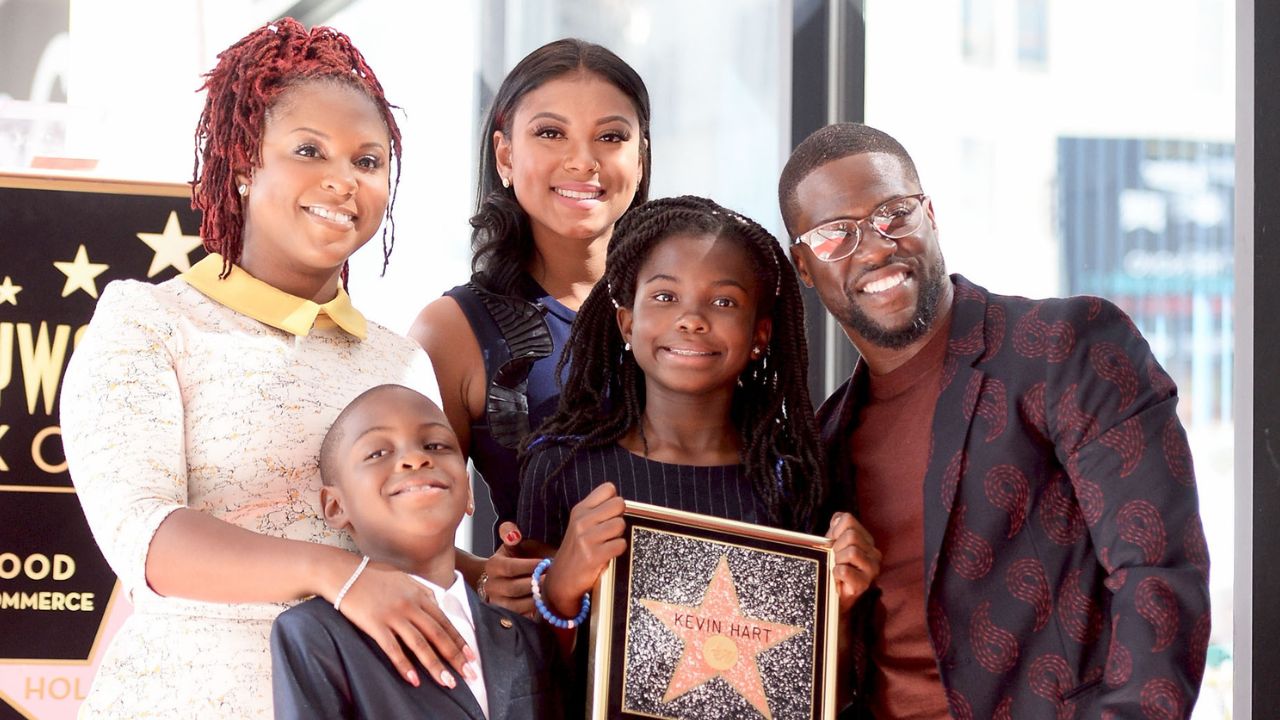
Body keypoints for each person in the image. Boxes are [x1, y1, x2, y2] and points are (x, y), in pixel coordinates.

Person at [60, 19, 469, 718]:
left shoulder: (397, 357)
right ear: (244, 162)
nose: (343, 181)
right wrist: (335, 574)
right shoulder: (150, 323)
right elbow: (144, 536)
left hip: (360, 700)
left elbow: (400, 555)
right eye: (310, 150)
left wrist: (491, 577)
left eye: (368, 162)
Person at [777, 122, 1211, 719]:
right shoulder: (822, 442)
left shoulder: (1062, 347)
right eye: (835, 236)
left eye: (893, 214)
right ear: (804, 265)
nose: (876, 248)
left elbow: (1158, 575)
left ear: (930, 214)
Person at [516, 195, 882, 710]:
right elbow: (521, 683)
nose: (691, 319)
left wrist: (838, 610)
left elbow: (822, 697)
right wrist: (559, 590)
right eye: (665, 297)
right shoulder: (562, 468)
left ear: (760, 335)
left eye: (724, 302)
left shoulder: (796, 482)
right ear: (625, 323)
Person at [408, 38, 651, 614]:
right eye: (550, 133)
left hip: (709, 649)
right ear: (505, 155)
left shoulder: (689, 312)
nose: (582, 161)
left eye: (611, 137)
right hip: (543, 667)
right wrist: (483, 578)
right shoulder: (455, 330)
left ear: (640, 159)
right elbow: (401, 525)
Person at [271, 384, 565, 720]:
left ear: (469, 491)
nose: (415, 458)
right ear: (336, 506)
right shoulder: (314, 634)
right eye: (377, 453)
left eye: (436, 445)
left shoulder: (527, 637)